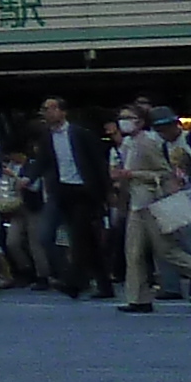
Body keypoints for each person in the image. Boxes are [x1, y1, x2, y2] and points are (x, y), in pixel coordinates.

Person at [113, 107, 191, 313]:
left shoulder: (149, 142)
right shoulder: (127, 144)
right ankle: (138, 298)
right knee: (133, 252)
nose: (124, 122)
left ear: (141, 122)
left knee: (167, 251)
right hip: (137, 203)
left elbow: (163, 173)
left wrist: (133, 174)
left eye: (129, 118)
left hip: (153, 202)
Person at [33, 98, 111, 300]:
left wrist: (105, 192)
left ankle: (73, 282)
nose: (47, 113)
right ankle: (104, 284)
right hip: (63, 190)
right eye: (44, 109)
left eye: (50, 108)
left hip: (84, 190)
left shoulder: (80, 134)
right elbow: (42, 161)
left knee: (79, 236)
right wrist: (27, 178)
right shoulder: (46, 137)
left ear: (63, 111)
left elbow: (97, 163)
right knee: (87, 239)